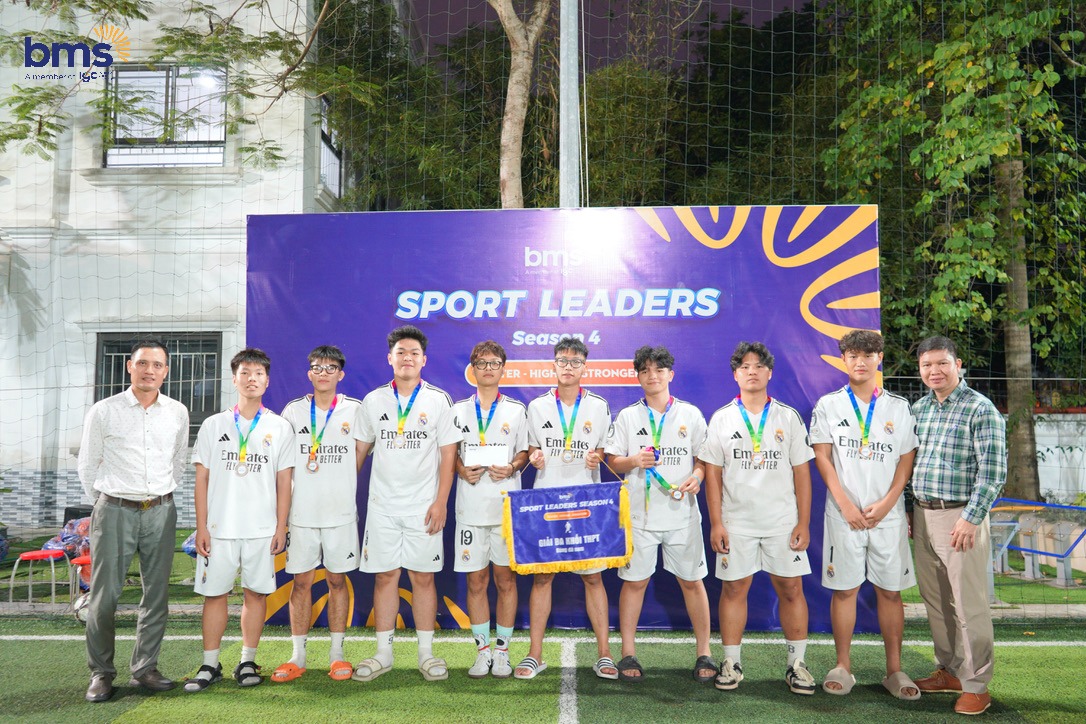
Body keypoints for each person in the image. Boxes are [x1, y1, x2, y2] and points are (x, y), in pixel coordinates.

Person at [699, 341, 816, 695]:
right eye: (745, 367)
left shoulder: (787, 417)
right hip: (737, 522)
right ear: (735, 375)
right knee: (734, 588)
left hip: (782, 520)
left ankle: (797, 664)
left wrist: (803, 522)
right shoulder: (722, 418)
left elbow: (802, 473)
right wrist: (717, 522)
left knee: (791, 589)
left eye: (758, 366)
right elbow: (713, 474)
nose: (752, 371)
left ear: (769, 373)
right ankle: (731, 663)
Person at [809, 330, 919, 700]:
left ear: (879, 359)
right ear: (843, 359)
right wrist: (844, 503)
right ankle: (843, 665)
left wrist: (889, 502)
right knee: (845, 590)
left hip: (887, 515)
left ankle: (894, 670)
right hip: (844, 514)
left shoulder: (898, 407)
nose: (860, 362)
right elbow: (822, 456)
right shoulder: (828, 405)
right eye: (853, 355)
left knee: (890, 592)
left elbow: (906, 459)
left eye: (868, 355)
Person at [78, 338, 189, 702]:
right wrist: (107, 503)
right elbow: (87, 464)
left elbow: (178, 462)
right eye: (142, 363)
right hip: (114, 511)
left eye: (157, 365)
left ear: (166, 371)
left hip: (161, 510)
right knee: (104, 596)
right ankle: (101, 672)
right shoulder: (104, 411)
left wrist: (158, 496)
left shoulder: (177, 412)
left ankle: (145, 668)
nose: (149, 371)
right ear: (130, 366)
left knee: (156, 594)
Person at [352, 325, 460, 683]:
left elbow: (448, 456)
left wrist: (441, 502)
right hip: (382, 507)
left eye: (414, 353)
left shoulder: (438, 400)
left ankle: (426, 654)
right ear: (390, 358)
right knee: (385, 577)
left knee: (423, 578)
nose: (407, 358)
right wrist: (341, 498)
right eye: (401, 352)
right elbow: (359, 453)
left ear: (424, 360)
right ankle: (383, 654)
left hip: (424, 507)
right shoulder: (373, 401)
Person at [185, 348, 294, 692]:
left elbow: (285, 481)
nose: (251, 379)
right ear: (234, 379)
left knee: (255, 595)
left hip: (261, 529)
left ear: (267, 381)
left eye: (258, 373)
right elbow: (201, 479)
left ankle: (247, 660)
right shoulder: (213, 425)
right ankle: (210, 664)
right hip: (219, 529)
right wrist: (202, 527)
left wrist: (281, 526)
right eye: (245, 373)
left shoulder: (279, 427)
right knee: (214, 595)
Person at [604, 345, 715, 683]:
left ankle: (704, 653)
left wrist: (698, 476)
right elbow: (612, 461)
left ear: (671, 374)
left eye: (658, 370)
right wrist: (633, 460)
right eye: (645, 370)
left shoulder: (690, 414)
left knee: (692, 582)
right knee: (635, 582)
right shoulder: (628, 416)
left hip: (682, 514)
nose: (652, 375)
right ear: (638, 377)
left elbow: (704, 458)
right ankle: (627, 652)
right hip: (640, 517)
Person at [910, 336, 1006, 716]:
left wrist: (971, 517)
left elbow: (993, 472)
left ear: (958, 364)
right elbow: (911, 464)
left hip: (960, 516)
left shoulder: (980, 409)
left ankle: (977, 684)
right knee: (936, 601)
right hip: (922, 513)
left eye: (942, 363)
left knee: (969, 603)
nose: (934, 371)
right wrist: (909, 511)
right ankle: (949, 670)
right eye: (927, 365)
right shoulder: (919, 409)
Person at [514, 338, 617, 681]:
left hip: (586, 501)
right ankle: (535, 654)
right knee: (543, 577)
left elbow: (603, 451)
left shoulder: (599, 406)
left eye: (575, 361)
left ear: (585, 366)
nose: (568, 367)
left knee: (593, 576)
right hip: (547, 501)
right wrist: (535, 457)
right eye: (562, 360)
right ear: (554, 365)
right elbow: (531, 450)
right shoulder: (538, 406)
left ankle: (604, 654)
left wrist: (596, 457)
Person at [272, 345, 366, 683]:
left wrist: (342, 480)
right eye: (317, 367)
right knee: (301, 582)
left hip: (341, 514)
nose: (323, 373)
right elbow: (282, 463)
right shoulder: (293, 411)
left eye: (330, 368)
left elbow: (361, 452)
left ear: (341, 374)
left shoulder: (355, 410)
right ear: (309, 373)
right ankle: (297, 656)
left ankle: (337, 654)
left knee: (338, 581)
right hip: (301, 515)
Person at [453, 340, 529, 679]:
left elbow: (525, 452)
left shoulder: (516, 410)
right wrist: (460, 469)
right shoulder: (458, 410)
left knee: (506, 580)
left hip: (505, 508)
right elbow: (449, 453)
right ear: (473, 369)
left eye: (494, 363)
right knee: (476, 581)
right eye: (481, 363)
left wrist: (511, 467)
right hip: (470, 508)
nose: (488, 368)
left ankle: (502, 652)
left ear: (502, 369)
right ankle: (482, 652)